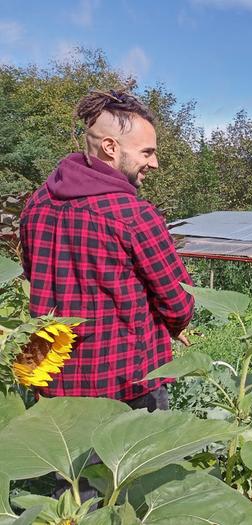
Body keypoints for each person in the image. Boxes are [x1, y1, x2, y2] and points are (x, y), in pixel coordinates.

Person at [20, 88, 195, 410]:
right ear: (110, 147)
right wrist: (177, 324)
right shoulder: (133, 216)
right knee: (135, 461)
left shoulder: (37, 203)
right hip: (125, 382)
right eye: (146, 152)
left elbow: (35, 274)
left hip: (53, 380)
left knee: (63, 461)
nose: (154, 163)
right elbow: (177, 299)